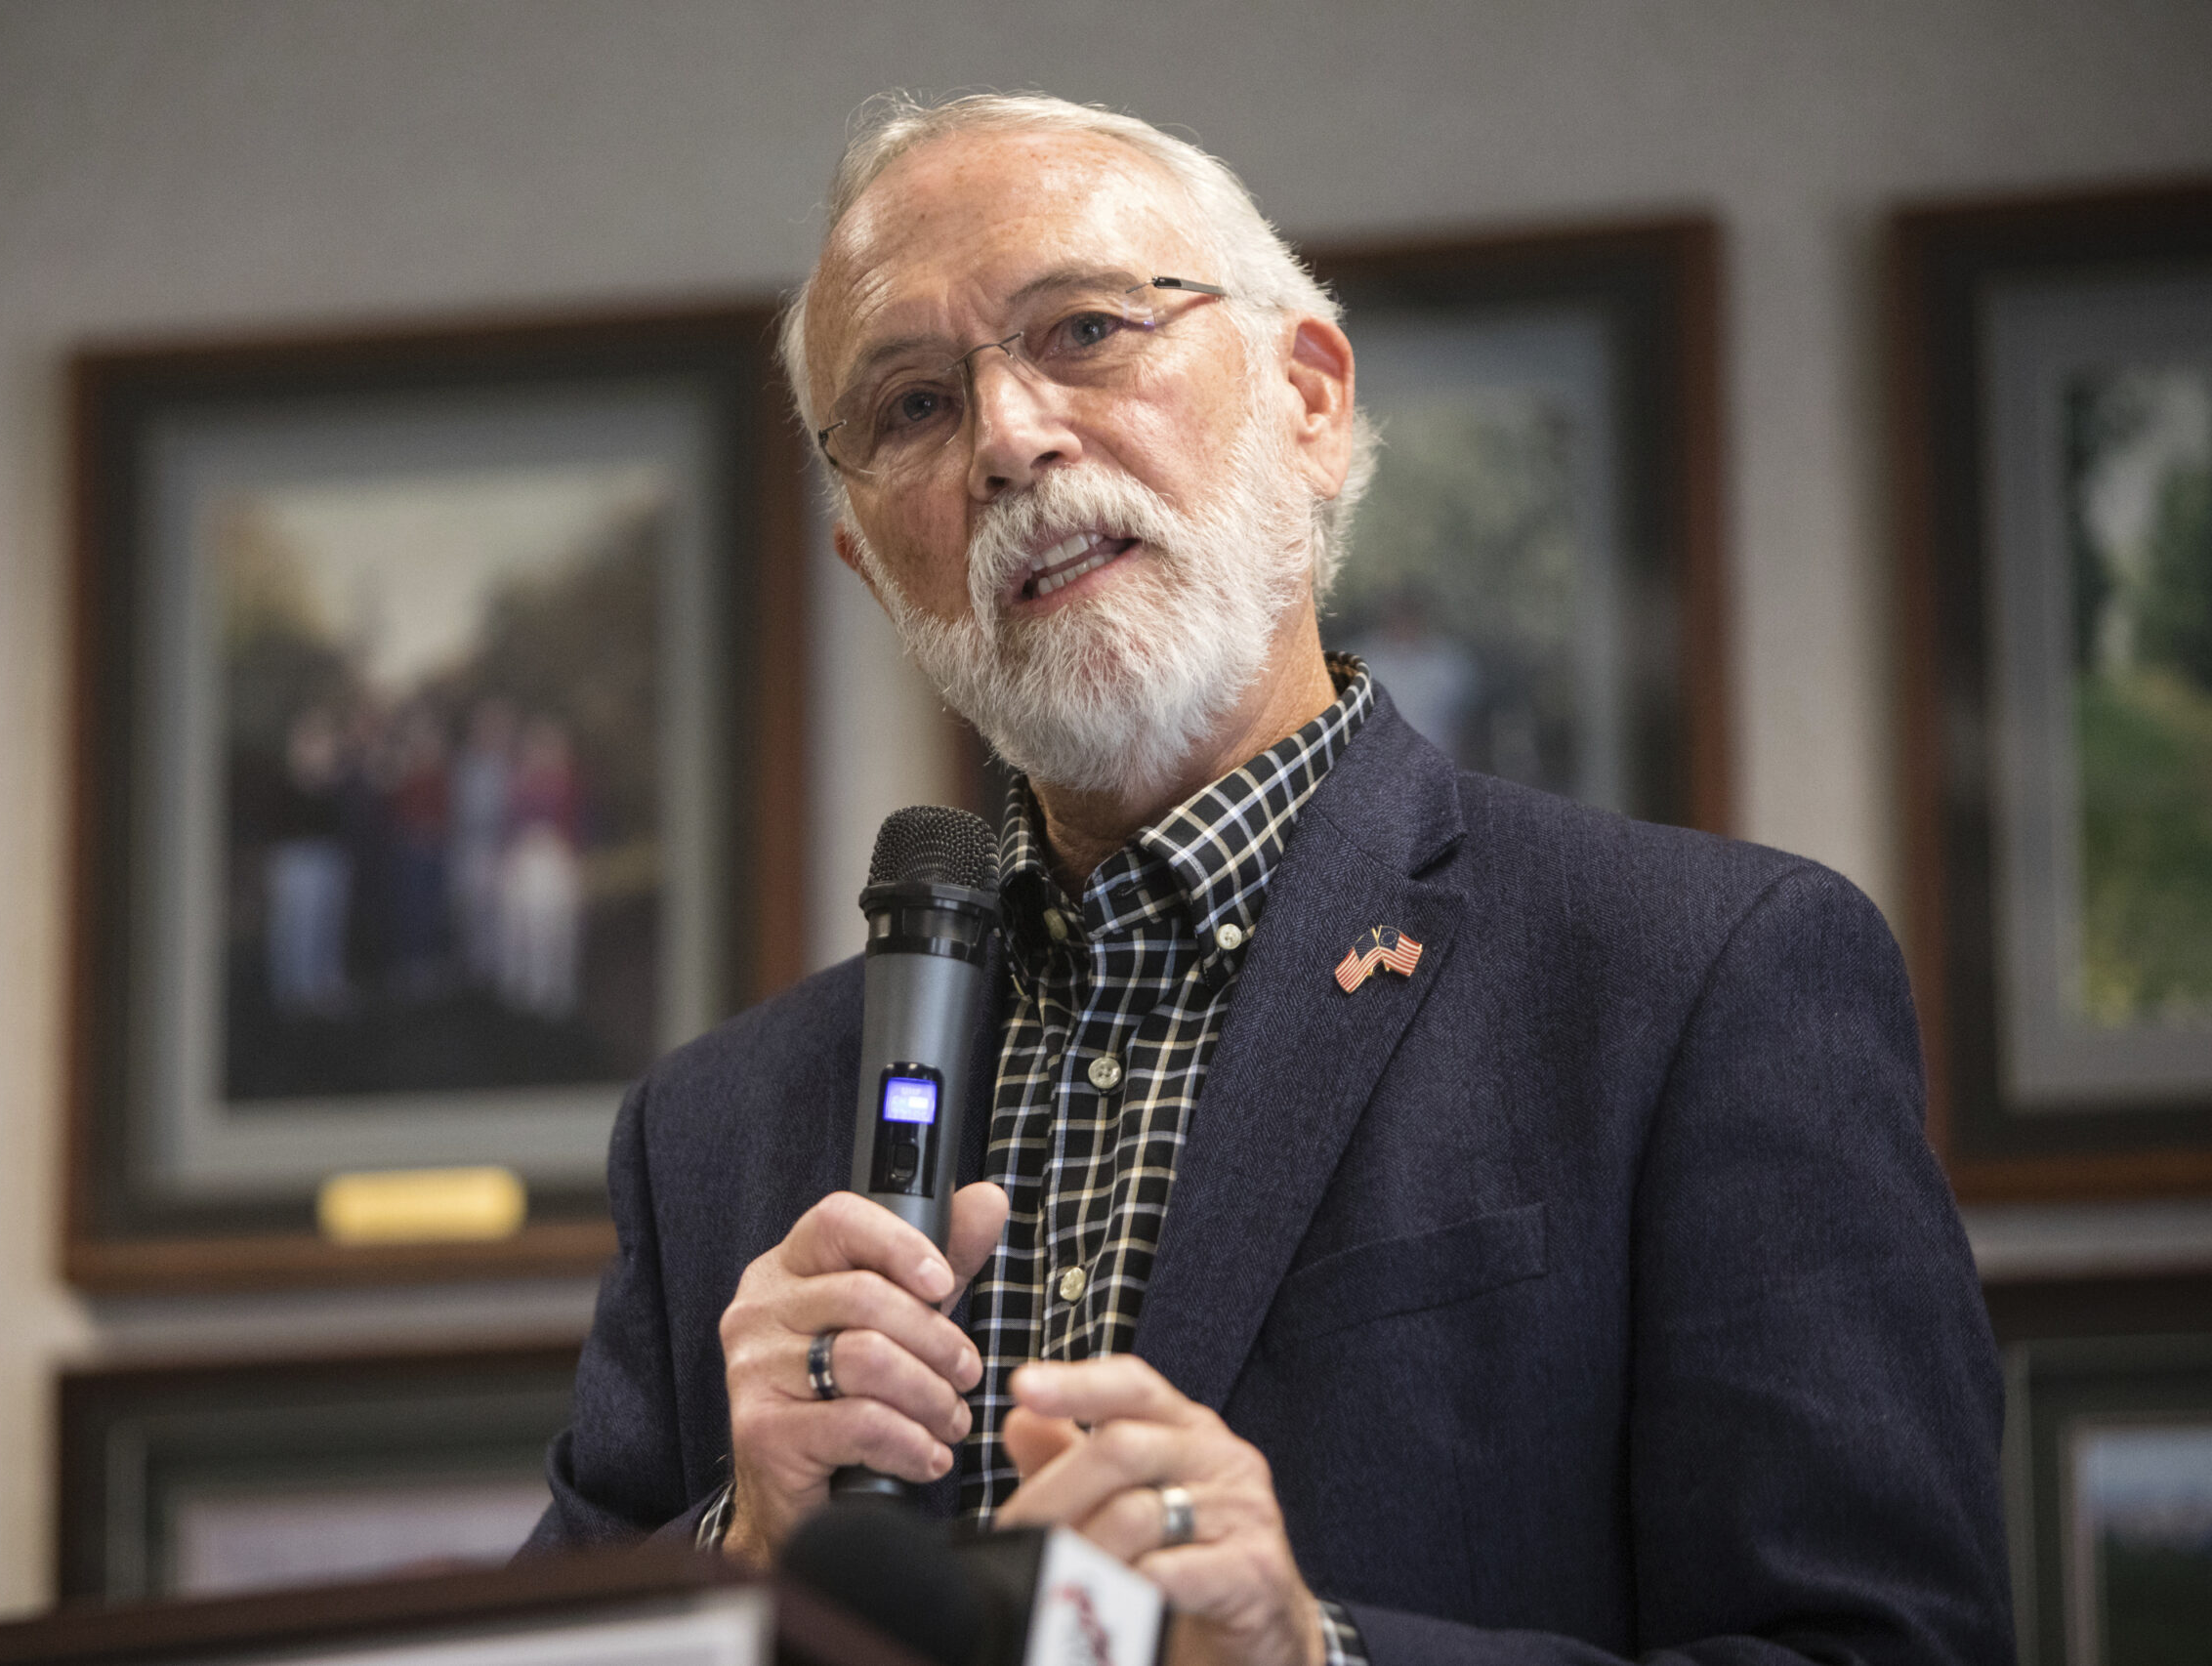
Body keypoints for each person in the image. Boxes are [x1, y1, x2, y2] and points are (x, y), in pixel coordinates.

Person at [522, 93, 2012, 1666]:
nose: (1011, 441)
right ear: (872, 566)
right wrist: (735, 1545)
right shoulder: (712, 1132)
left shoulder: (1707, 979)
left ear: (1308, 398)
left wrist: (1312, 1654)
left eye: (1085, 328)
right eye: (907, 409)